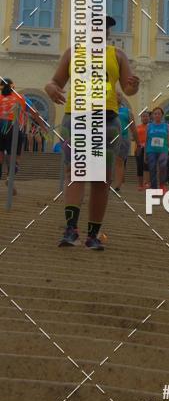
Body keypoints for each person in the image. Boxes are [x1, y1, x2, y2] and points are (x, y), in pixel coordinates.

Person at [45, 15, 140, 250]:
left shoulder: (117, 55)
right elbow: (56, 81)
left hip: (106, 119)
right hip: (76, 116)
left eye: (104, 27)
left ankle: (93, 234)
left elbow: (128, 87)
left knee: (101, 179)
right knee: (74, 173)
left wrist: (134, 85)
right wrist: (50, 88)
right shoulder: (72, 53)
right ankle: (71, 230)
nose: (99, 30)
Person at [0, 78, 26, 192]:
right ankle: (10, 177)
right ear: (13, 87)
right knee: (15, 157)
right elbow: (34, 112)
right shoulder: (20, 98)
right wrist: (44, 127)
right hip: (13, 127)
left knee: (1, 156)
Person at [145, 107, 169, 197]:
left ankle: (162, 185)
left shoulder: (166, 126)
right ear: (152, 115)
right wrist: (145, 153)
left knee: (163, 166)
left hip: (163, 150)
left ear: (162, 115)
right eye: (155, 113)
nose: (157, 115)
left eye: (159, 114)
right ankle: (154, 188)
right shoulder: (149, 126)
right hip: (151, 150)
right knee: (152, 168)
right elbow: (146, 140)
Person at [113, 94, 136, 194]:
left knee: (119, 162)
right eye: (116, 95)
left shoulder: (127, 111)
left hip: (123, 138)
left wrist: (137, 140)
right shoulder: (107, 109)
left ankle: (117, 186)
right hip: (109, 138)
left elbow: (133, 126)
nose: (117, 96)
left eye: (119, 95)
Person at [134, 110, 150, 191]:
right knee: (140, 166)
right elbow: (133, 138)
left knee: (147, 166)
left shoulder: (151, 127)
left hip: (149, 149)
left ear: (149, 117)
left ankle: (146, 184)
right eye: (143, 116)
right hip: (139, 149)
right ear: (141, 118)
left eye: (146, 116)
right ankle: (140, 185)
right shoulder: (137, 127)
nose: (145, 118)